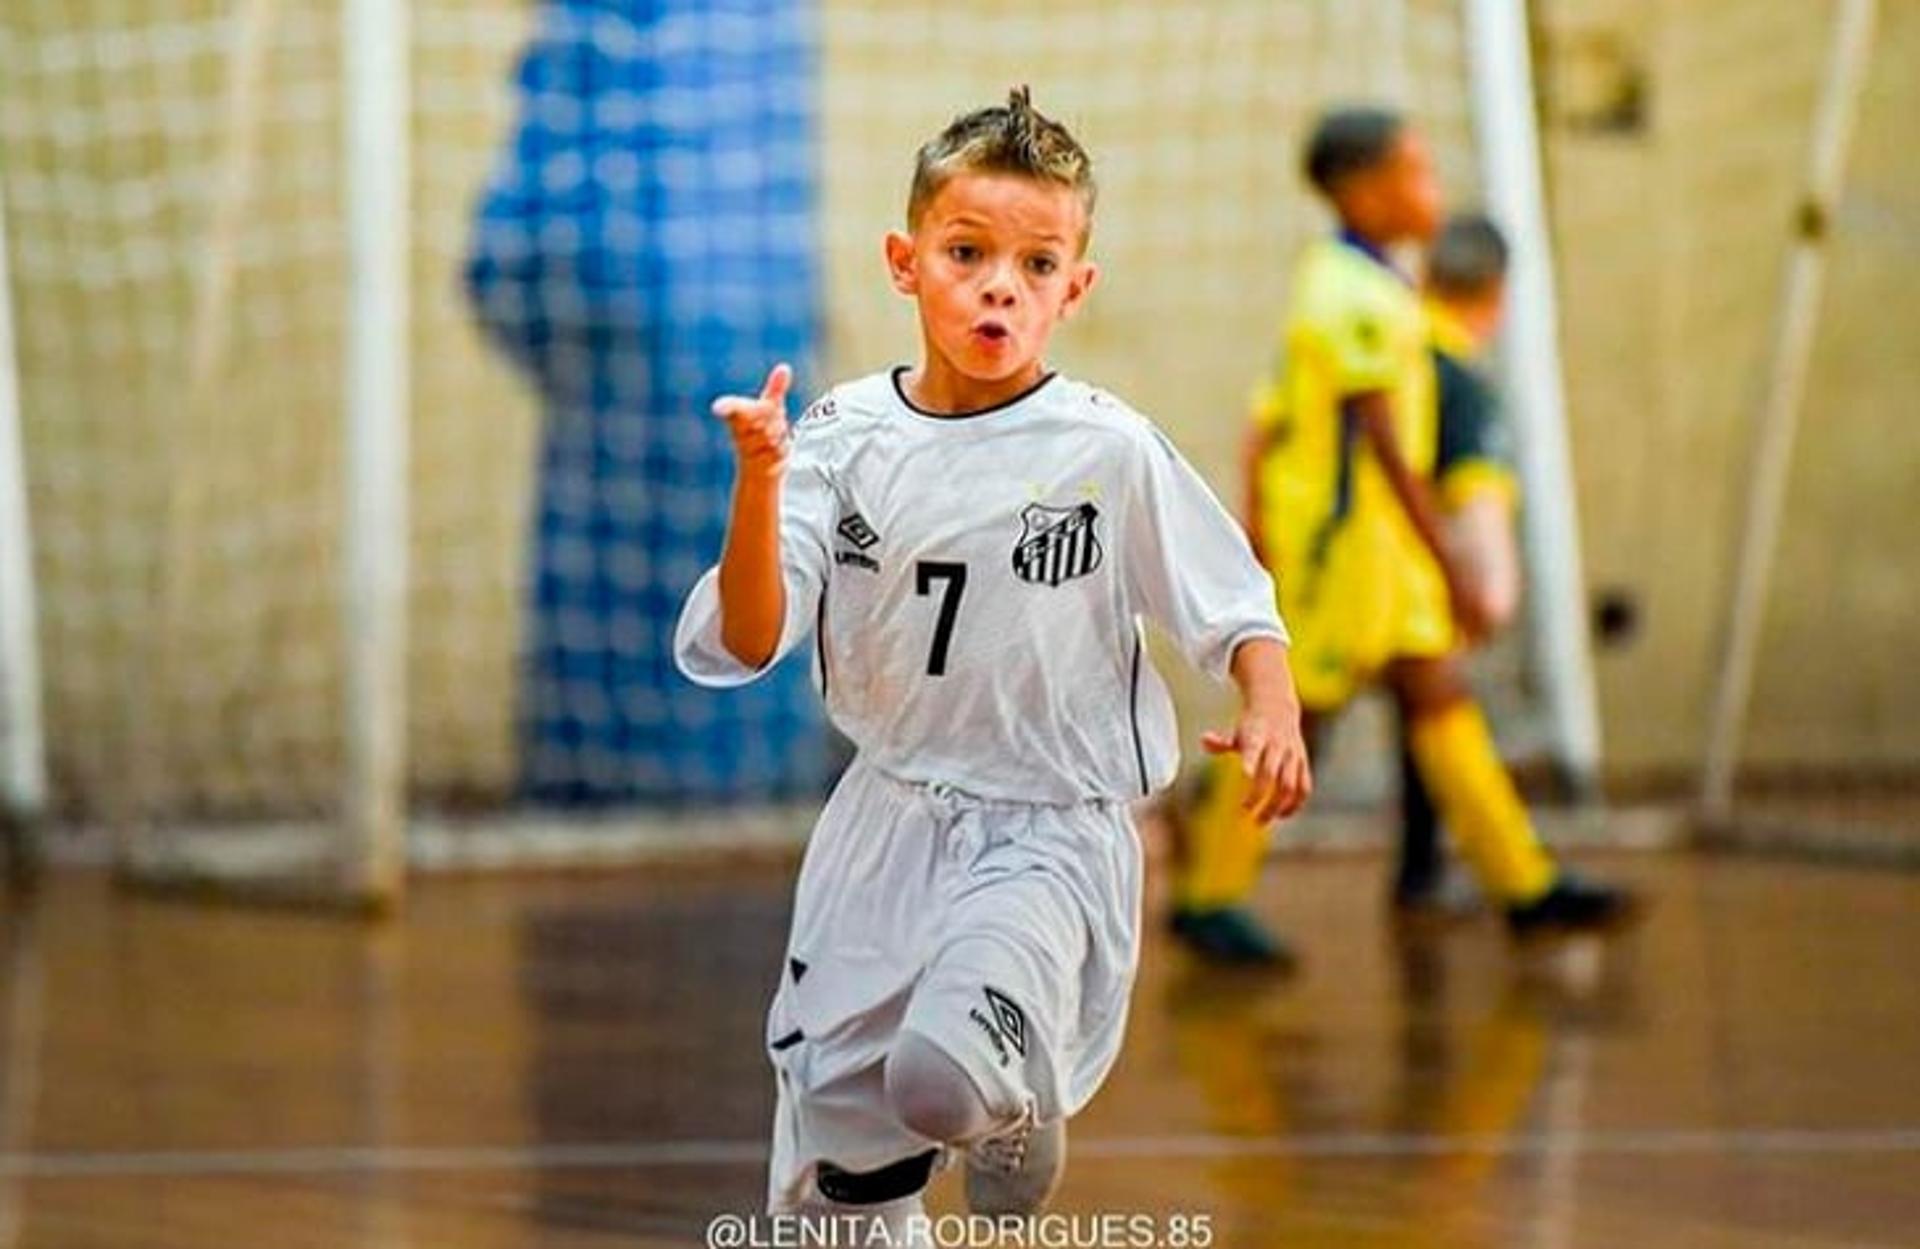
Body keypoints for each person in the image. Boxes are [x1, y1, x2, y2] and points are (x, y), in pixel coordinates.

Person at [674, 88, 1312, 1227]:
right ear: (904, 261)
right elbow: (753, 634)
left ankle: (1018, 1104)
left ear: (1076, 287)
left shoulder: (1105, 448)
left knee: (940, 1078)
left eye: (1035, 261)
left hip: (1047, 830)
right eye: (967, 251)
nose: (998, 285)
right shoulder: (840, 436)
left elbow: (1238, 608)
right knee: (839, 1195)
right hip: (882, 827)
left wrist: (1273, 708)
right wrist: (761, 483)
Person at [1167, 107, 1634, 967]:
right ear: (1365, 189)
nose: (1431, 188)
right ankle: (1207, 893)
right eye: (1416, 171)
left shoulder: (1364, 284)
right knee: (1289, 713)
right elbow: (1384, 447)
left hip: (1374, 562)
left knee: (1438, 694)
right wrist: (1449, 558)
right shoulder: (1351, 296)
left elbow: (1265, 423)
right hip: (1344, 559)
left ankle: (1523, 883)